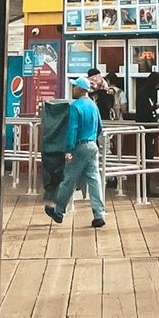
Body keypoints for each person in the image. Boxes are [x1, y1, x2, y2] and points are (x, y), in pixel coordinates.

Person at [45, 79, 106, 229]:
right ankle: (99, 214)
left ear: (80, 89)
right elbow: (100, 127)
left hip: (79, 147)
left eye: (74, 87)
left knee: (69, 179)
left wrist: (68, 149)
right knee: (94, 180)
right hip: (92, 145)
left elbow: (72, 130)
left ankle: (58, 211)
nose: (72, 89)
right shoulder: (93, 105)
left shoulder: (75, 107)